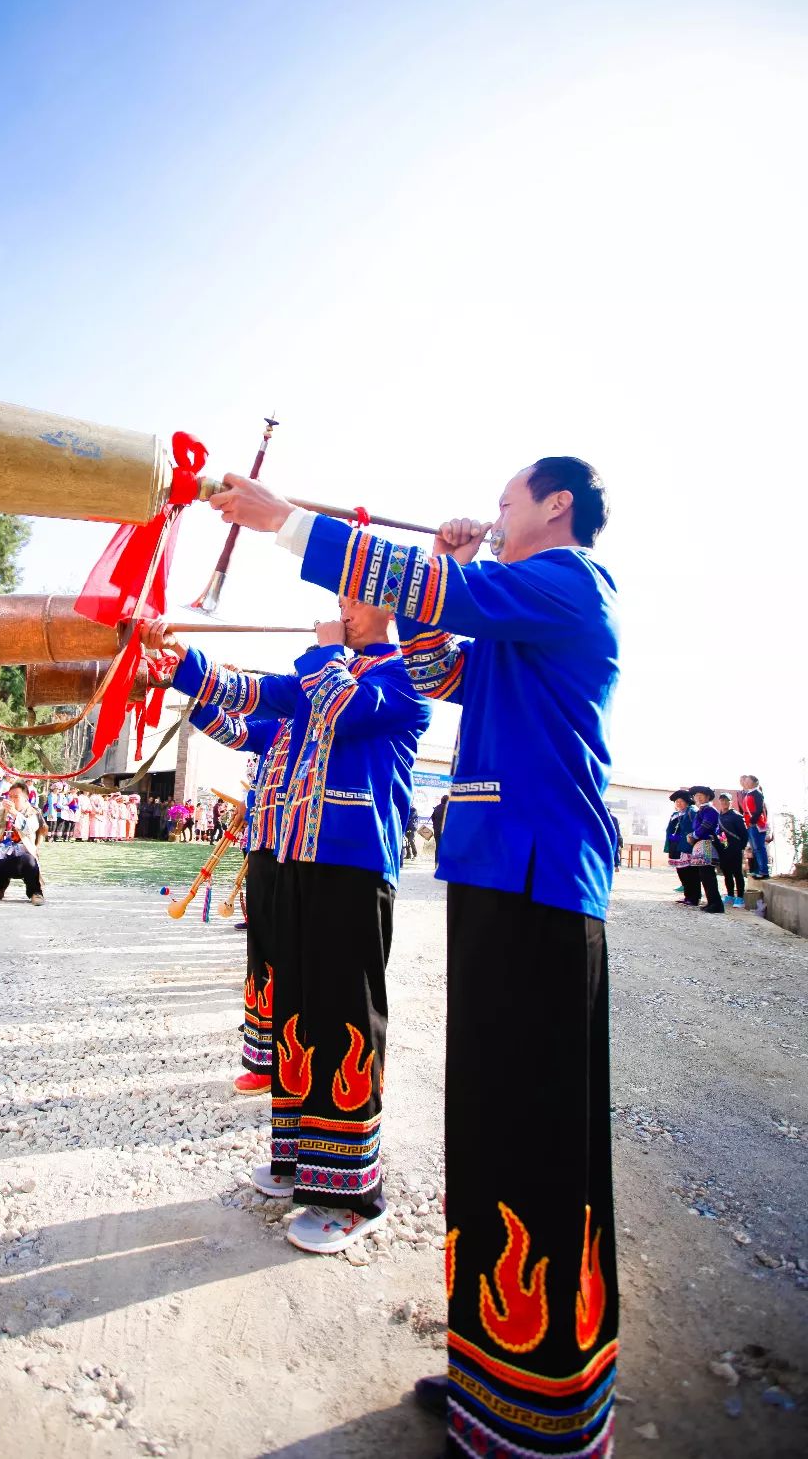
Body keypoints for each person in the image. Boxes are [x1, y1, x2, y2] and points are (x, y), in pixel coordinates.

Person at [210, 456, 620, 1451]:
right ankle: (494, 1381)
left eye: (510, 495)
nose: (495, 509)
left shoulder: (569, 582)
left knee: (539, 1145)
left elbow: (440, 601)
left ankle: (552, 1417)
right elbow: (441, 667)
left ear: (555, 504)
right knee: (489, 1136)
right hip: (495, 874)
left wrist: (288, 524)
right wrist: (438, 604)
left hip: (542, 880)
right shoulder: (516, 611)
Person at [147, 595, 430, 1254]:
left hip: (352, 872)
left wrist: (328, 650)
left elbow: (344, 708)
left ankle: (352, 1196)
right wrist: (176, 661)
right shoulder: (315, 681)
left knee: (343, 1025)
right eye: (340, 604)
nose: (343, 612)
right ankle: (300, 1161)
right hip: (296, 865)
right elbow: (248, 693)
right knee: (298, 1022)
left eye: (356, 603)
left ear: (390, 612)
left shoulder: (406, 675)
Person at [166, 682, 296, 1097]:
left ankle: (299, 1062)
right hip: (263, 847)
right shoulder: (276, 726)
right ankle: (263, 1060)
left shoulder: (338, 719)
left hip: (309, 853)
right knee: (263, 955)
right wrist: (193, 687)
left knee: (303, 958)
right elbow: (231, 729)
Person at [0, 781, 45, 903]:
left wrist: (15, 813)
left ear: (26, 798)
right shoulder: (0, 812)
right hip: (3, 851)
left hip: (23, 853)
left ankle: (35, 892)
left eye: (16, 797)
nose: (12, 799)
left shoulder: (33, 812)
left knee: (30, 862)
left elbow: (30, 828)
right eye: (10, 796)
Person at [687, 786, 726, 913]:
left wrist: (693, 835)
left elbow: (706, 826)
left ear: (708, 797)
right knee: (704, 875)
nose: (698, 797)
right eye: (696, 795)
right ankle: (711, 902)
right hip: (701, 844)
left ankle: (716, 904)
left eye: (701, 795)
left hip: (707, 844)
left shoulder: (710, 810)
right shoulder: (701, 811)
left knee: (708, 875)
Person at [665, 790, 698, 903]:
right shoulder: (675, 814)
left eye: (681, 801)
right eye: (676, 801)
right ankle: (687, 896)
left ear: (687, 802)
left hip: (687, 846)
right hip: (676, 845)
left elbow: (695, 827)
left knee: (690, 872)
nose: (678, 803)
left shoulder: (692, 812)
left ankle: (694, 897)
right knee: (681, 871)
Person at [716, 793, 748, 907]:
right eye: (722, 800)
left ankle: (740, 898)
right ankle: (730, 895)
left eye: (727, 801)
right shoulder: (719, 815)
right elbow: (720, 832)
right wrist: (722, 844)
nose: (724, 803)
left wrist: (741, 847)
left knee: (737, 873)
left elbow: (744, 834)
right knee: (726, 873)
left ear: (731, 802)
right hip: (724, 848)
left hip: (735, 849)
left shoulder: (736, 816)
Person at [740, 774, 770, 879]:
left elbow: (759, 809)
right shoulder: (748, 793)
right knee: (754, 849)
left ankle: (764, 871)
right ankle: (757, 870)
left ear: (754, 782)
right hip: (749, 824)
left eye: (748, 781)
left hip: (756, 824)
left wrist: (753, 819)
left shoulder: (757, 793)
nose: (746, 783)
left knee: (759, 847)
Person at [430, 792, 448, 866]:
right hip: (445, 831)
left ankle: (436, 863)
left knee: (438, 847)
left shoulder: (437, 807)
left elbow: (432, 818)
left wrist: (435, 825)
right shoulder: (448, 808)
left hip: (437, 831)